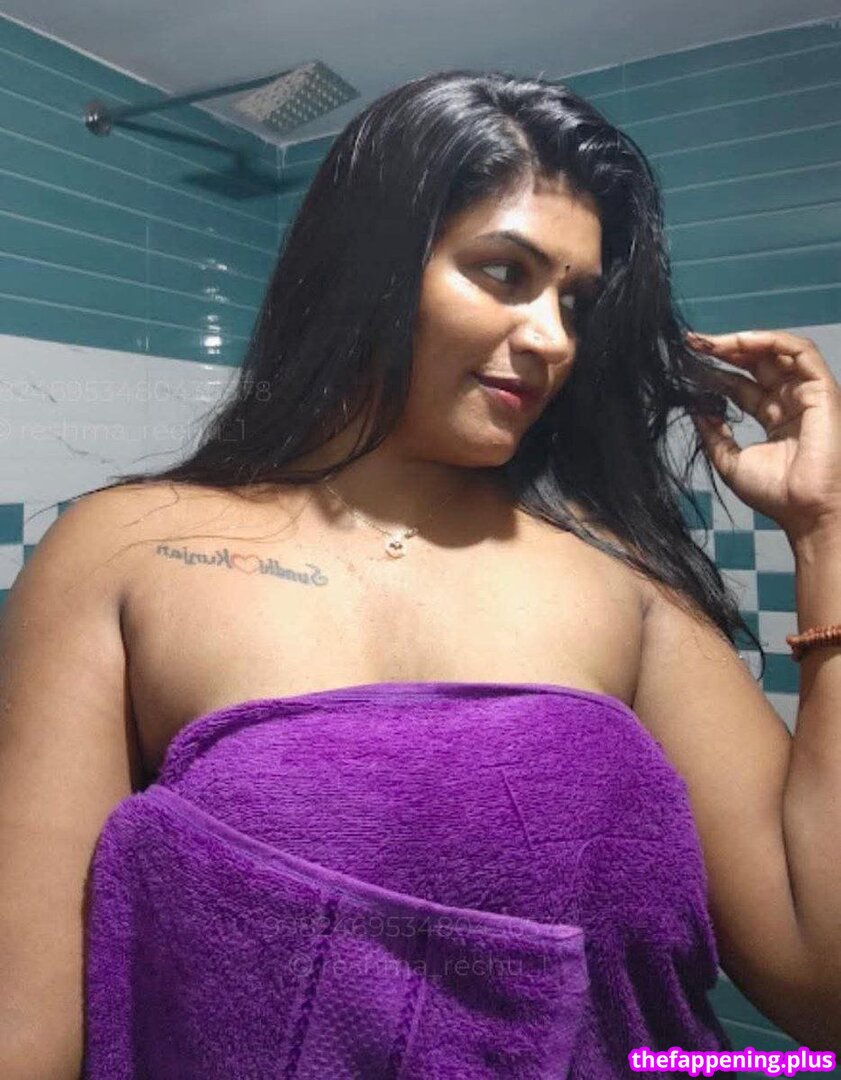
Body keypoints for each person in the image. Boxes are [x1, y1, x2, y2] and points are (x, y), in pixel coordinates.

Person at [2, 68, 841, 1079]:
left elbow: (822, 978)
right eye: (504, 272)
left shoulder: (621, 585)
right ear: (371, 266)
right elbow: (28, 1031)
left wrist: (824, 531)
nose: (552, 338)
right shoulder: (126, 551)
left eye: (574, 301)